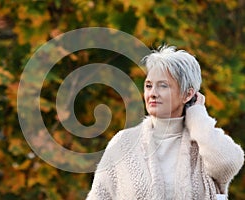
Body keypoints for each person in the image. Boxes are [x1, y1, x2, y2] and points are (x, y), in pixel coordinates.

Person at [86, 45, 244, 200]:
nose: (152, 93)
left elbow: (228, 162)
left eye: (163, 86)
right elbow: (99, 196)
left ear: (187, 94)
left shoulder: (204, 145)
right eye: (149, 86)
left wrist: (197, 115)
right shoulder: (124, 143)